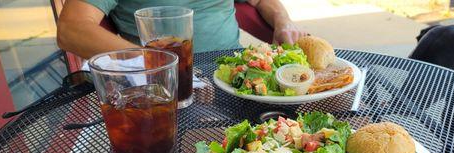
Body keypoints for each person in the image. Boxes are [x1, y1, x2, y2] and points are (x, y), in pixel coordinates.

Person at [57, 0, 307, 59]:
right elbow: (71, 29)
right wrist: (155, 64)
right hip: (164, 85)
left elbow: (262, 2)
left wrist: (283, 21)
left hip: (238, 70)